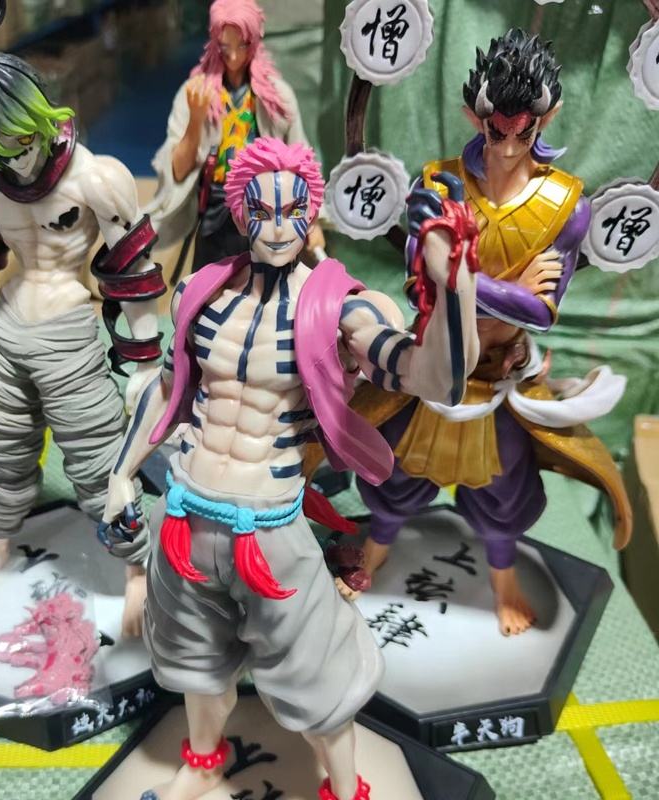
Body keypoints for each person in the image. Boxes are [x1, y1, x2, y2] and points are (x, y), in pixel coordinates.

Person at [99, 137, 480, 800]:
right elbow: (167, 390)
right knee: (195, 666)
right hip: (184, 517)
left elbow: (433, 379)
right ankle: (204, 760)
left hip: (269, 532)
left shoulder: (341, 307)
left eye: (292, 211)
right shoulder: (199, 292)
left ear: (312, 213)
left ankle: (345, 788)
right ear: (241, 213)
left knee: (316, 678)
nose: (277, 227)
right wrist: (121, 473)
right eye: (263, 211)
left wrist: (453, 290)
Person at [340, 29, 630, 636]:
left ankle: (502, 578)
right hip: (430, 368)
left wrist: (465, 279)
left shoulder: (567, 205)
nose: (509, 146)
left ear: (547, 117)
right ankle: (375, 548)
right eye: (498, 130)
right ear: (476, 115)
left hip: (499, 378)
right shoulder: (438, 186)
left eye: (523, 131)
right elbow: (422, 283)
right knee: (392, 468)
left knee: (506, 490)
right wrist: (508, 285)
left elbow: (542, 311)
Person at [0, 0, 158, 623]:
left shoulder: (96, 179)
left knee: (100, 459)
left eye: (22, 139)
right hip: (5, 332)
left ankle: (136, 565)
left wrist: (145, 361)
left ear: (39, 115)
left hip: (70, 334)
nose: (16, 158)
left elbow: (132, 271)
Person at [147, 0, 325, 275]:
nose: (232, 57)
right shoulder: (195, 92)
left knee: (270, 282)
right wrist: (195, 120)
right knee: (208, 285)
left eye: (241, 46)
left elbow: (302, 161)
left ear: (253, 42)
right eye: (224, 47)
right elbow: (178, 170)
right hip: (216, 211)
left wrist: (314, 222)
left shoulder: (276, 96)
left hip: (266, 209)